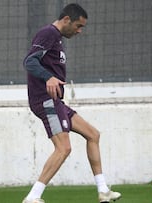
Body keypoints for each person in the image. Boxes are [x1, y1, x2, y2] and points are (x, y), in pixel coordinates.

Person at [22, 3, 121, 203]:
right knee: (63, 148)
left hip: (56, 101)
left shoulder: (56, 38)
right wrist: (48, 77)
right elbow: (29, 61)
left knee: (93, 134)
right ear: (66, 19)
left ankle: (103, 191)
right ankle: (33, 197)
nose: (79, 31)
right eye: (78, 26)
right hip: (46, 100)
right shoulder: (48, 33)